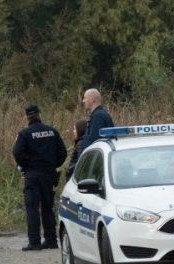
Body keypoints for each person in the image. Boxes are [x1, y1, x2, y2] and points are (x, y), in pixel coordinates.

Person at [11, 103, 67, 251]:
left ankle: (34, 242)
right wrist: (53, 164)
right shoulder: (52, 131)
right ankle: (51, 240)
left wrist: (27, 165)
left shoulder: (24, 134)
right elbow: (63, 153)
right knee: (48, 207)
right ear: (39, 114)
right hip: (49, 174)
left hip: (33, 175)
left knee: (32, 207)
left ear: (27, 116)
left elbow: (17, 152)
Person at [73, 88, 114, 157]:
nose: (83, 101)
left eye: (85, 98)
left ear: (92, 100)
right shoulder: (99, 114)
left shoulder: (98, 116)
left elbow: (95, 143)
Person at [64, 117, 88, 181]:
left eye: (75, 129)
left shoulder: (81, 144)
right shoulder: (82, 142)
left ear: (80, 130)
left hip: (75, 179)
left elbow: (80, 162)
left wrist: (69, 171)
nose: (73, 131)